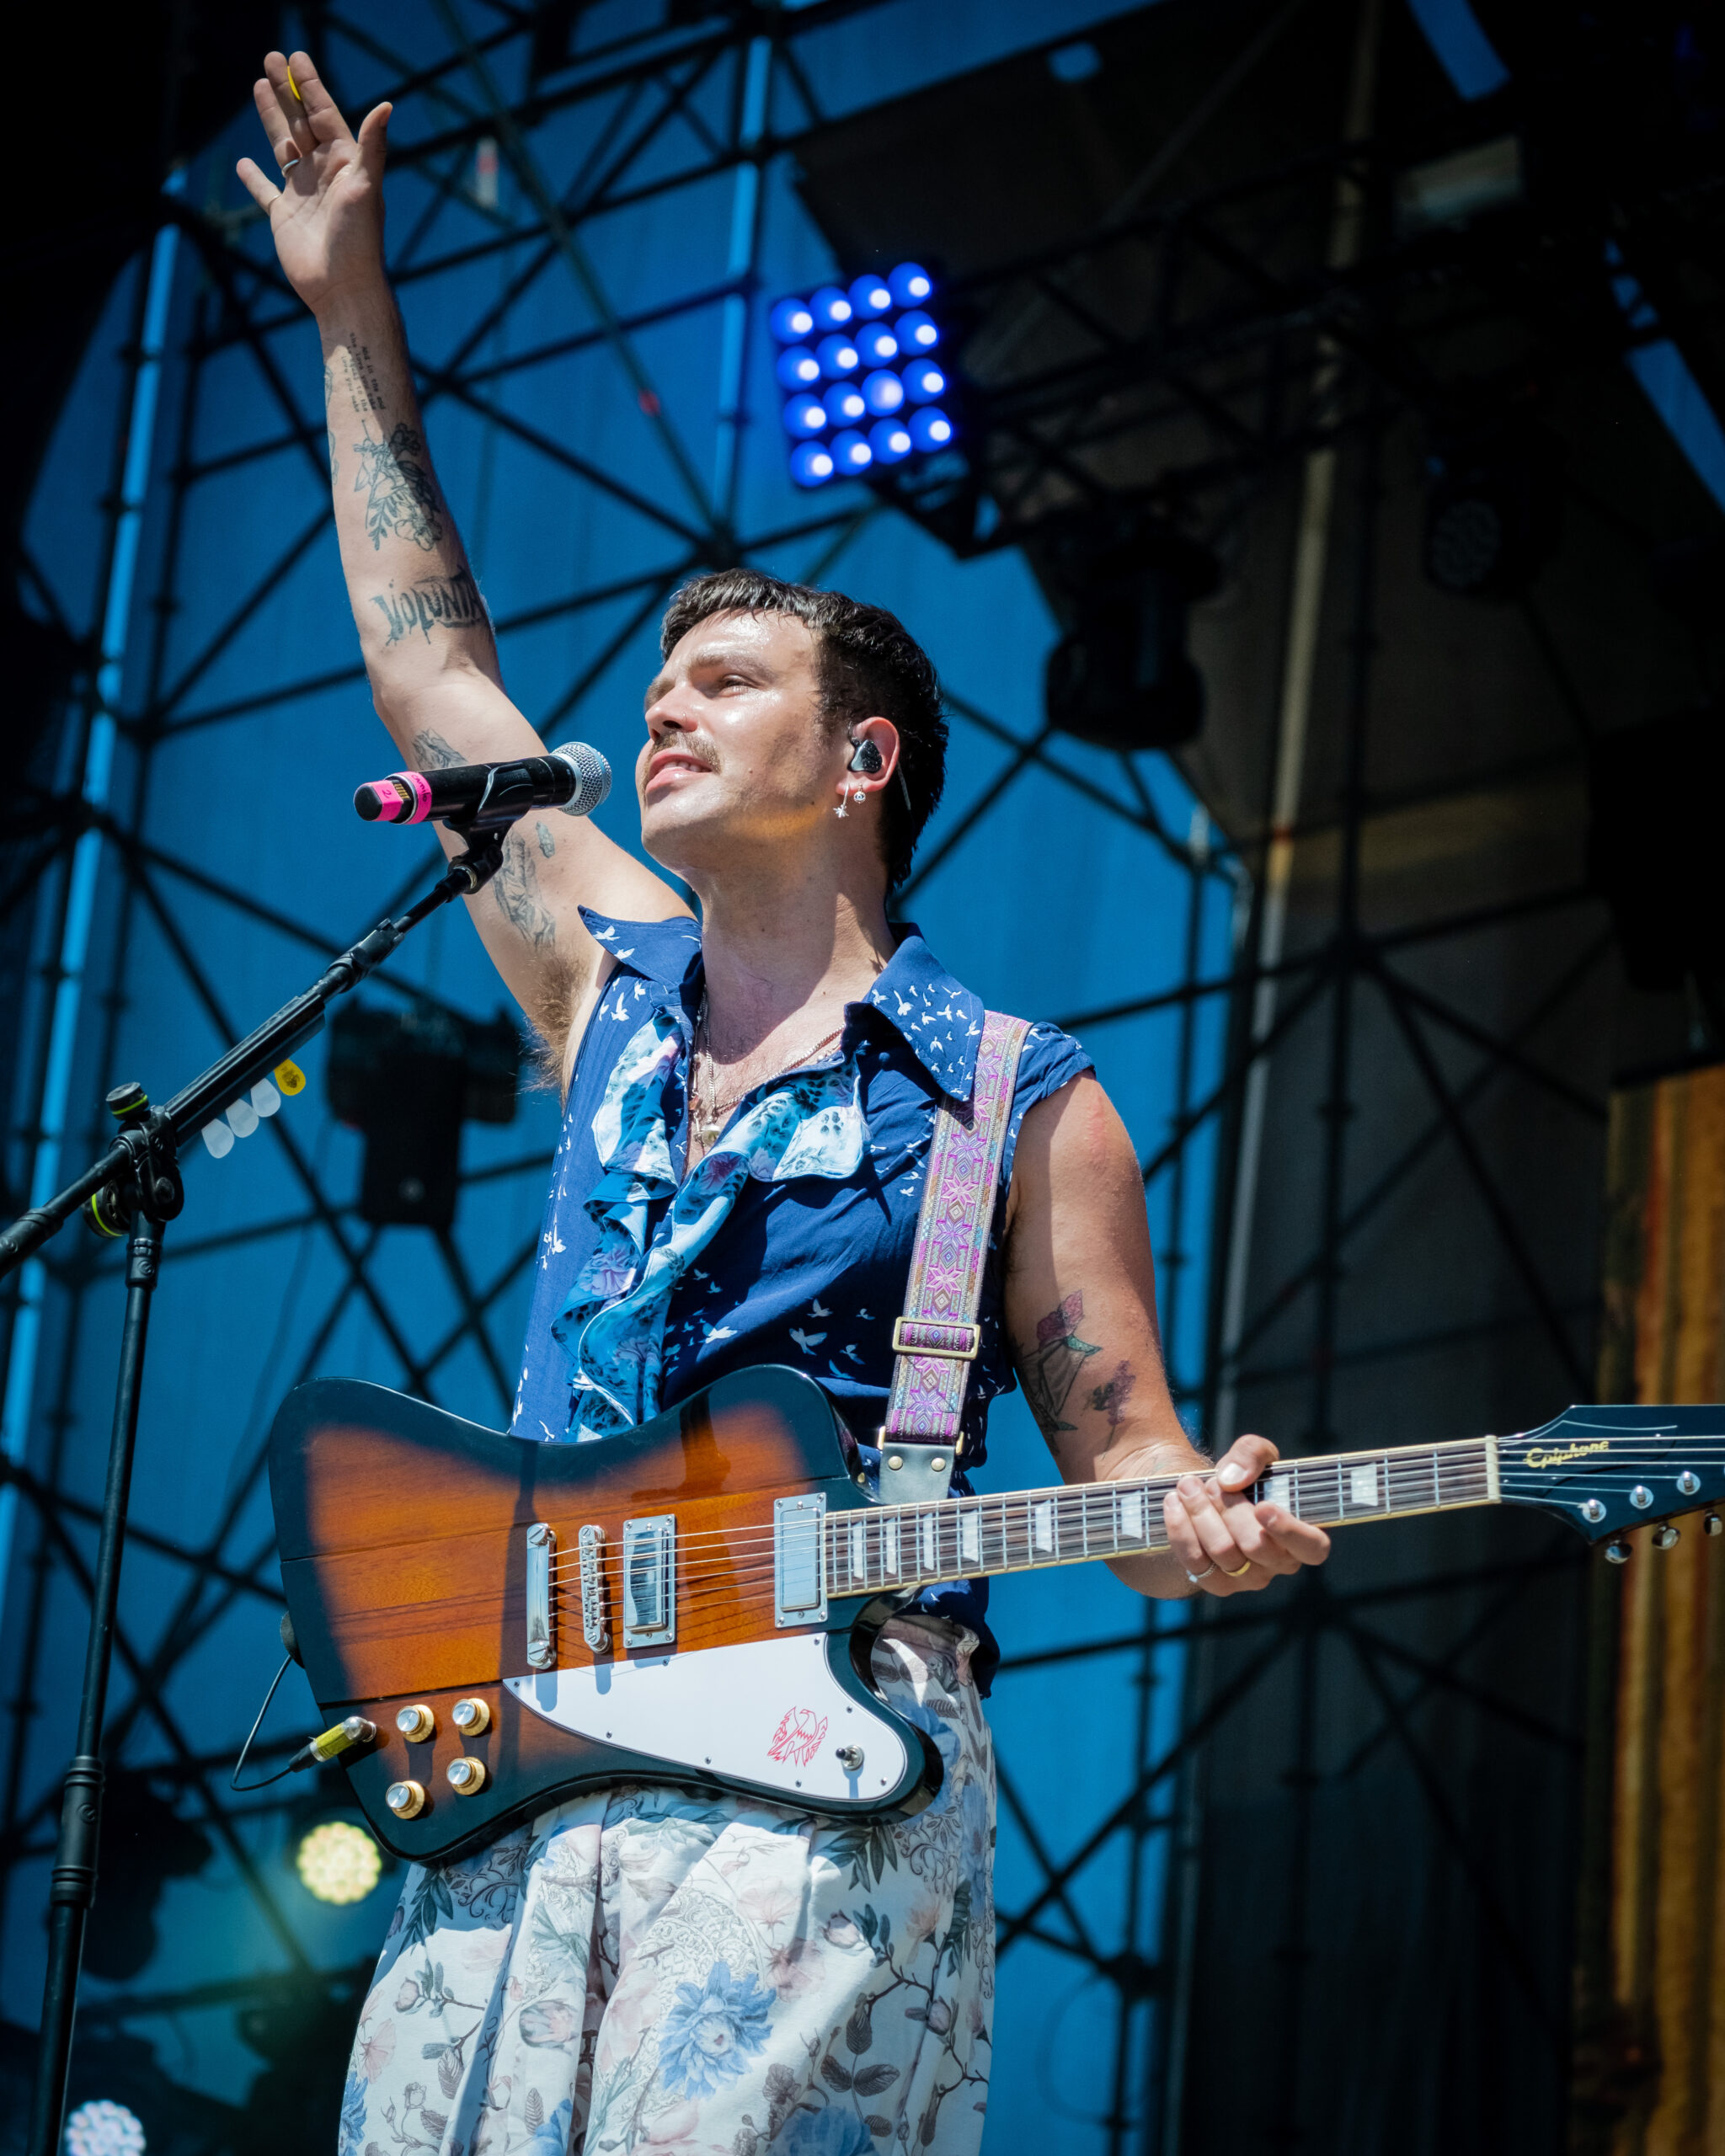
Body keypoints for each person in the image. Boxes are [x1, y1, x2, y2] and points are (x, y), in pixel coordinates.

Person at [239, 50, 1331, 2156]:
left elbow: (1127, 1452)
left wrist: (1203, 1517)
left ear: (862, 763)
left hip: (821, 1767)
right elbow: (430, 668)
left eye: (724, 684)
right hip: (523, 1755)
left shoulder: (1016, 1099)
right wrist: (346, 303)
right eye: (659, 685)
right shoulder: (606, 983)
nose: (663, 708)